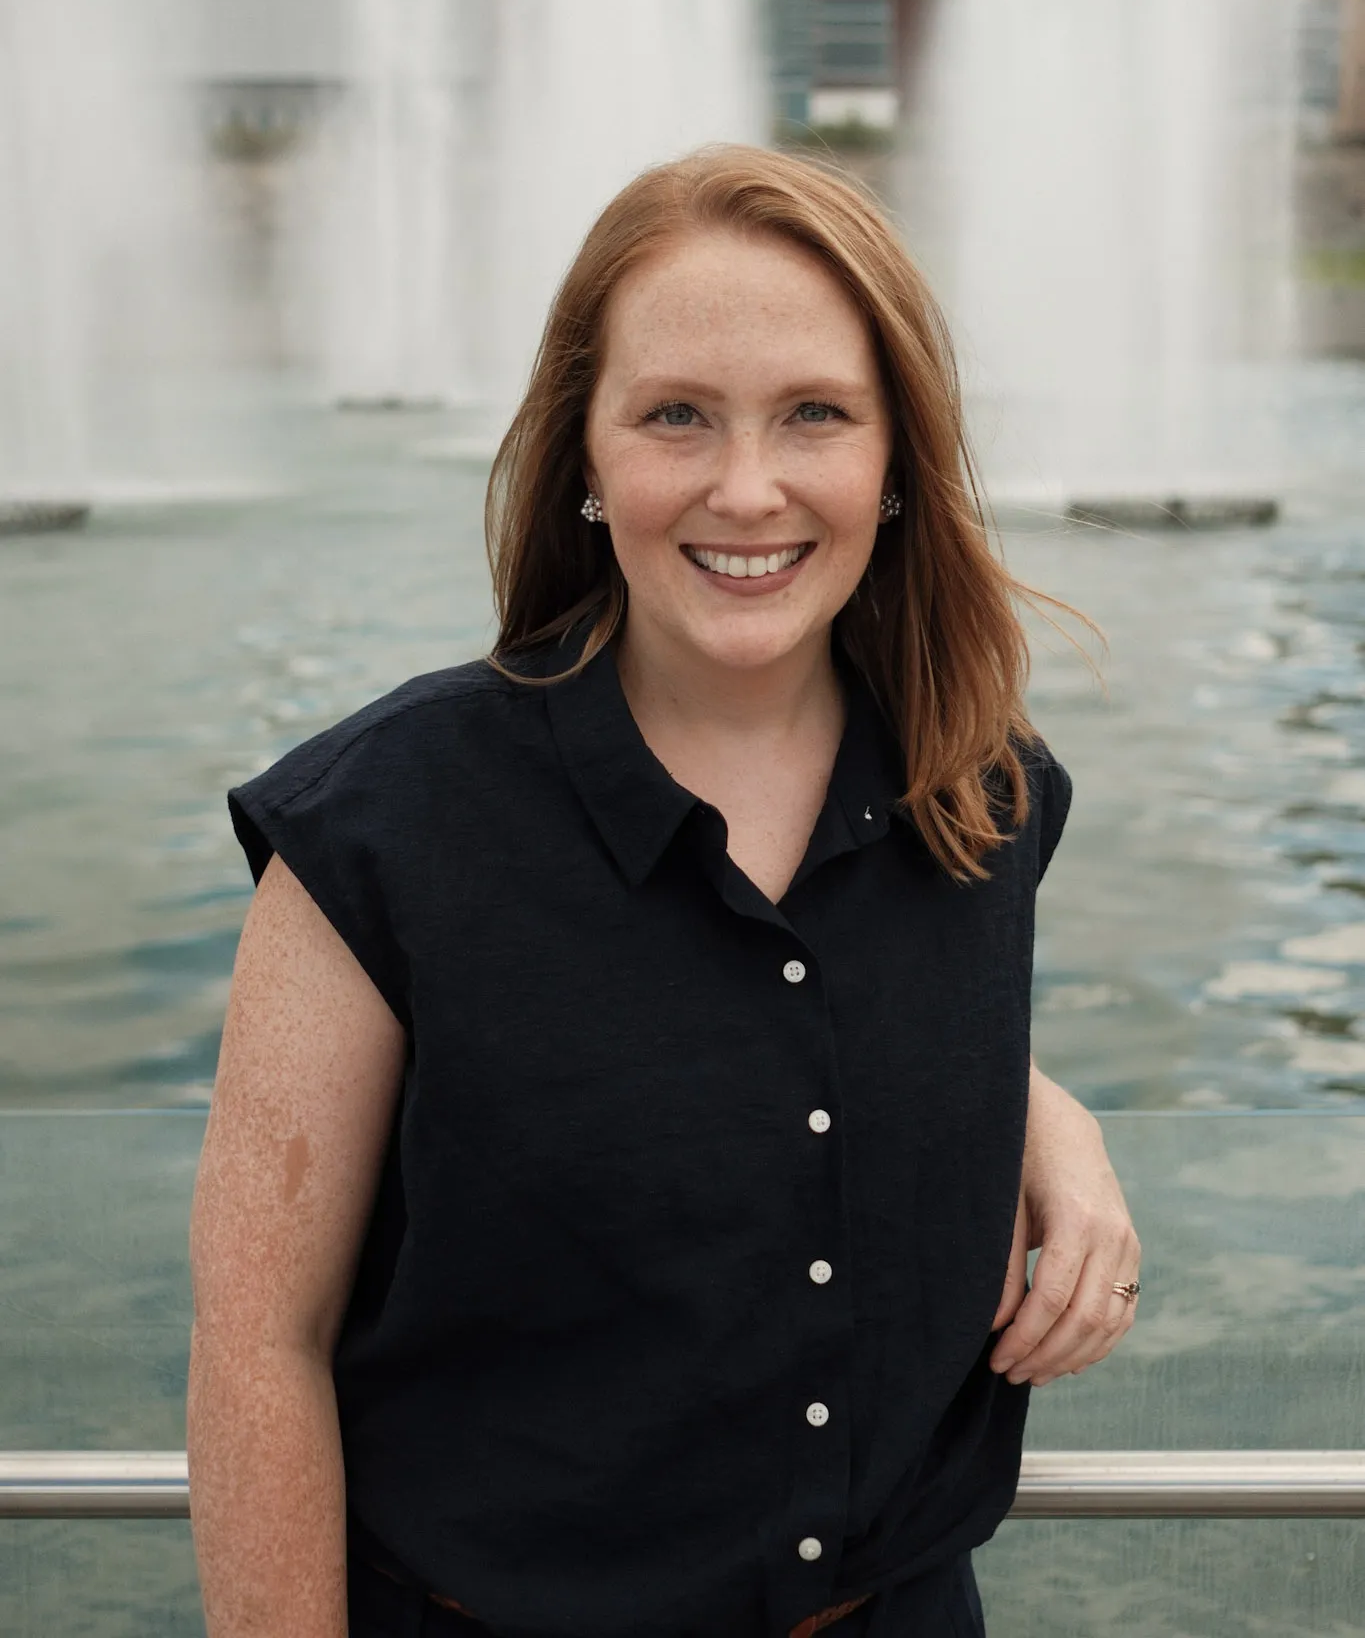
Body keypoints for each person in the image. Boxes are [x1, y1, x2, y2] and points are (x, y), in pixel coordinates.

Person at [188, 147, 1140, 1638]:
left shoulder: (989, 797)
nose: (746, 488)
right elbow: (259, 1343)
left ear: (897, 459)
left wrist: (1045, 1117)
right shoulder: (383, 825)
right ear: (584, 452)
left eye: (815, 414)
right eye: (676, 415)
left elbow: (794, 1025)